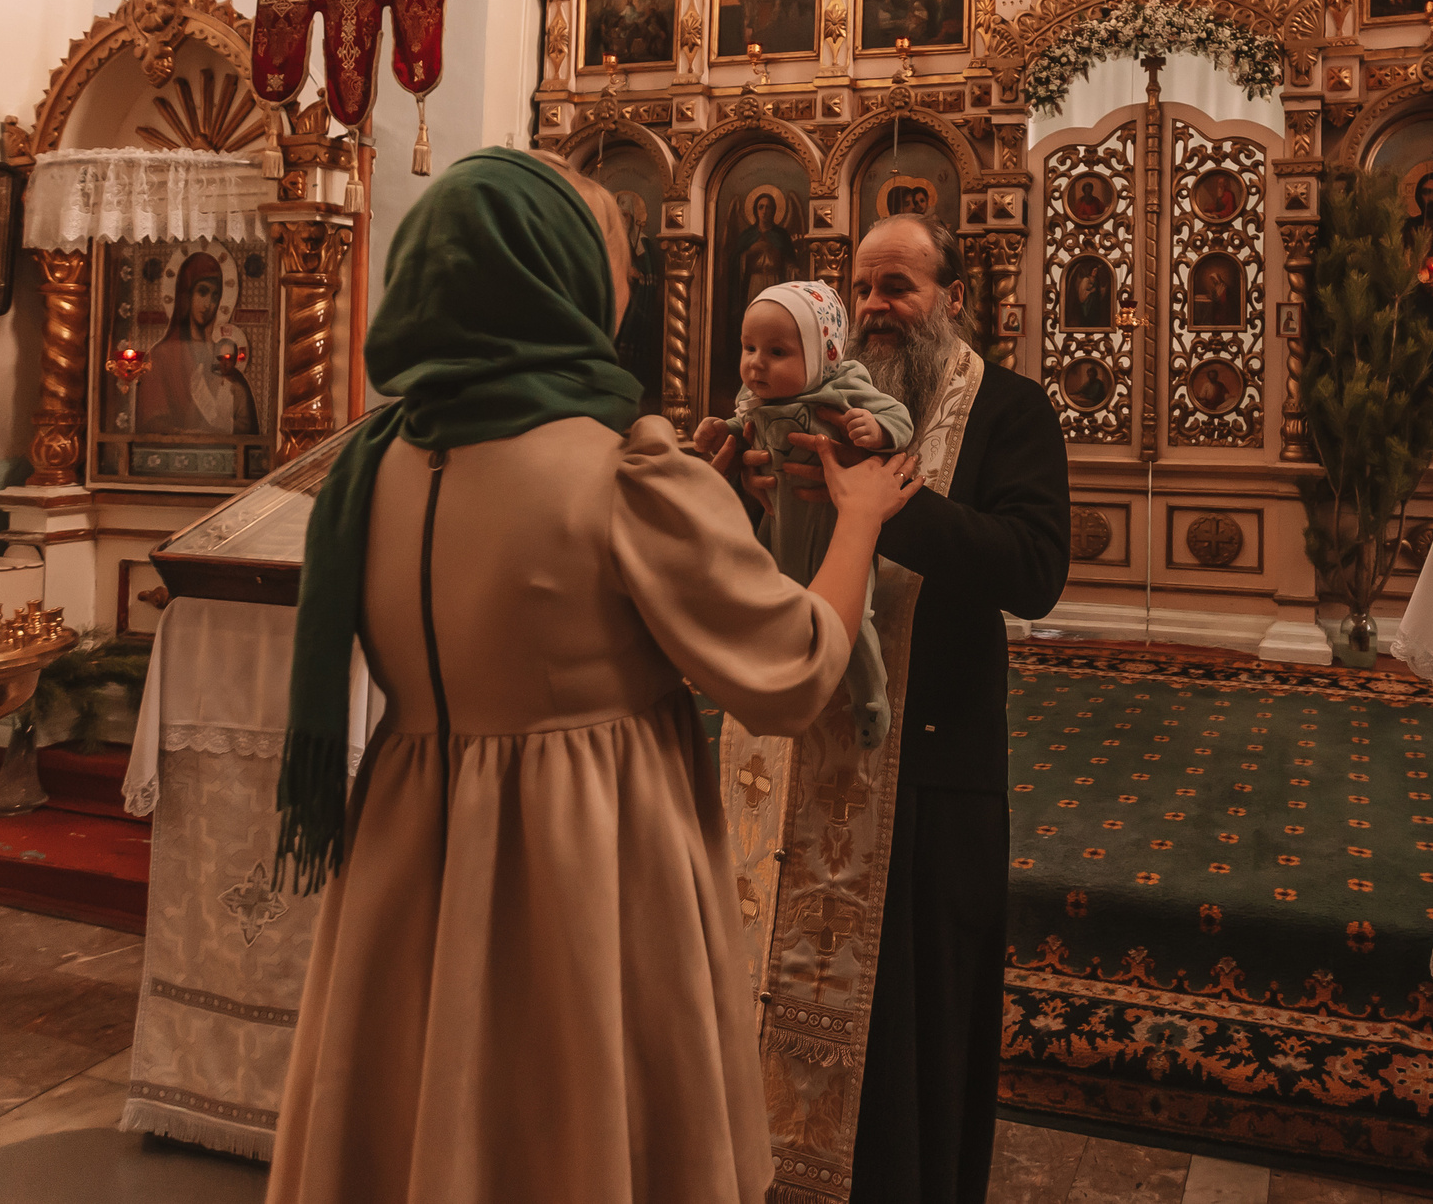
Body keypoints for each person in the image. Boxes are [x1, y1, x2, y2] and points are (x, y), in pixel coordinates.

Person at [268, 148, 920, 1204]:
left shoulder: (369, 463)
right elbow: (794, 670)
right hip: (586, 847)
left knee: (419, 1117)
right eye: (610, 262)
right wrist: (856, 521)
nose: (625, 290)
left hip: (408, 841)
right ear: (549, 277)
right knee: (572, 1129)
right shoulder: (622, 468)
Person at [713, 213, 1069, 1204]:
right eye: (863, 287)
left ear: (951, 297)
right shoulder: (795, 400)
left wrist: (890, 506)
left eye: (900, 286)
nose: (876, 307)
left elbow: (1035, 572)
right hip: (784, 755)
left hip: (928, 766)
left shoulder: (1008, 410)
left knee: (910, 1018)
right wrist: (738, 492)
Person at [694, 279, 913, 749]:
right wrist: (721, 431)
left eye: (776, 352)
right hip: (777, 528)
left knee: (851, 622)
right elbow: (743, 427)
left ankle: (870, 697)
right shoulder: (758, 400)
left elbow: (900, 420)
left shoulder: (846, 387)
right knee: (768, 607)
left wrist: (874, 428)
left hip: (835, 535)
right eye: (749, 347)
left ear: (822, 355)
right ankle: (773, 686)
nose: (756, 363)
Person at [137, 251, 257, 435]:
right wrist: (184, 433)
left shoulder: (222, 353)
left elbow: (246, 426)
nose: (209, 303)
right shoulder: (161, 355)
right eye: (202, 292)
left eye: (215, 296)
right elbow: (152, 422)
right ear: (186, 295)